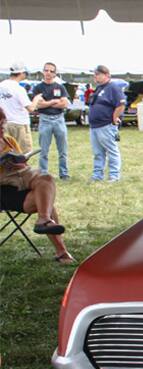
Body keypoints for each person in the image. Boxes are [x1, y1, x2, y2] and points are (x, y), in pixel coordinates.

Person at [0, 107, 74, 263]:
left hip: (19, 177)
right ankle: (60, 250)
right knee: (46, 204)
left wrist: (18, 162)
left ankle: (43, 220)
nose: (2, 128)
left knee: (46, 178)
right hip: (3, 189)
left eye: (3, 124)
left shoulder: (9, 140)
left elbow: (23, 165)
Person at [31, 62, 70, 180]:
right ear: (43, 71)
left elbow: (65, 103)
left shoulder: (60, 87)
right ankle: (43, 174)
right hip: (45, 120)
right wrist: (53, 102)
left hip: (59, 120)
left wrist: (47, 103)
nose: (48, 73)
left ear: (55, 73)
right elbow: (38, 105)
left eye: (51, 71)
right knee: (43, 150)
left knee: (63, 150)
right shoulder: (38, 88)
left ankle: (64, 174)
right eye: (46, 70)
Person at [88, 65, 126, 183]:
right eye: (95, 74)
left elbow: (121, 104)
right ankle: (97, 175)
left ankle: (114, 175)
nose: (95, 76)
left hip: (106, 125)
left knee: (111, 150)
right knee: (98, 153)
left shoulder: (113, 87)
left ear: (107, 75)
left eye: (98, 74)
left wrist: (115, 117)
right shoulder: (99, 88)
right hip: (95, 126)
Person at [0, 62, 38, 154]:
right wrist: (37, 99)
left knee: (5, 154)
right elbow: (31, 108)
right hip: (19, 124)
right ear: (21, 73)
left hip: (4, 124)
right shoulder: (19, 89)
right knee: (23, 154)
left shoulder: (1, 86)